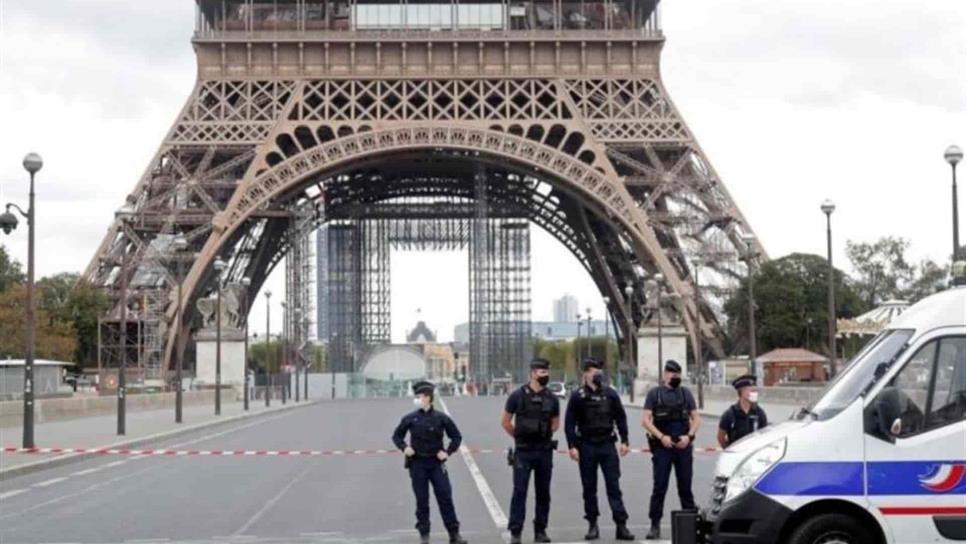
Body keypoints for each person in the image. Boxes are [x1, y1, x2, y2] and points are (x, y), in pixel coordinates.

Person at [564, 358, 636, 541]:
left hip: (607, 445)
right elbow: (569, 424)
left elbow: (621, 418)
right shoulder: (577, 396)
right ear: (585, 373)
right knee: (589, 488)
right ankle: (592, 525)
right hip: (586, 445)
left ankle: (621, 525)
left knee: (614, 487)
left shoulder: (611, 394)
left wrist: (625, 440)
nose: (597, 374)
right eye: (594, 371)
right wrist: (572, 446)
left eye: (599, 371)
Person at [392, 381, 468, 544]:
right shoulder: (410, 418)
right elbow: (397, 436)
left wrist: (447, 452)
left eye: (419, 396)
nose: (417, 399)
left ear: (428, 398)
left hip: (436, 464)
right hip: (417, 464)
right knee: (422, 500)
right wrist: (404, 447)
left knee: (445, 496)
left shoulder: (441, 418)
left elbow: (456, 437)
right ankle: (424, 536)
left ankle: (454, 534)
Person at [502, 358, 561, 544]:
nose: (546, 376)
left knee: (543, 493)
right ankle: (516, 532)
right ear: (533, 373)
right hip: (524, 451)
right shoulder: (517, 396)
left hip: (543, 451)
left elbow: (555, 424)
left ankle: (540, 530)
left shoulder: (551, 398)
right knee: (520, 492)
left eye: (547, 373)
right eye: (542, 373)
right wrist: (519, 437)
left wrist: (540, 435)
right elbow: (505, 421)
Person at [641, 360, 701, 540]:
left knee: (685, 487)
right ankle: (654, 525)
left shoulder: (685, 394)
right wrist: (661, 437)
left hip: (683, 446)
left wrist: (688, 436)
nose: (675, 377)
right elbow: (645, 420)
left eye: (678, 374)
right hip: (662, 447)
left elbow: (696, 419)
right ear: (665, 374)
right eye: (672, 374)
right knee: (659, 487)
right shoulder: (655, 394)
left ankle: (690, 526)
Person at [717, 374, 768, 449]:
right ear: (742, 392)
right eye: (750, 390)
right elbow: (721, 437)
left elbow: (766, 436)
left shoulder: (759, 413)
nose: (754, 393)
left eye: (754, 390)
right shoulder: (730, 414)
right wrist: (729, 450)